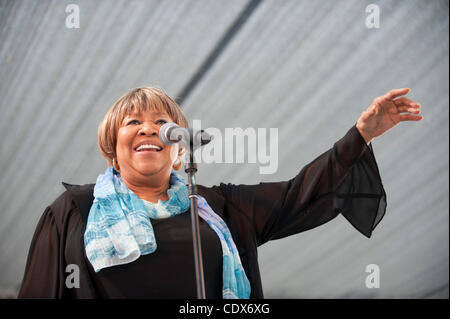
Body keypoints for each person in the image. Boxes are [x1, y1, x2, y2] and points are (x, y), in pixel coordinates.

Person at [18, 87, 423, 299]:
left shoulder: (217, 206)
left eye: (161, 122)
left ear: (178, 147)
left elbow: (299, 193)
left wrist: (362, 135)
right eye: (132, 122)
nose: (147, 129)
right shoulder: (75, 210)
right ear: (112, 143)